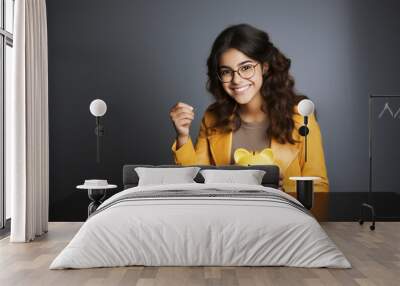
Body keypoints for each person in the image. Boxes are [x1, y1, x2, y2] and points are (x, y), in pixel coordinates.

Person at [169, 23, 329, 193]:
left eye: (245, 68)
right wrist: (183, 136)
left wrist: (283, 191)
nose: (236, 80)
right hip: (228, 217)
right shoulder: (212, 117)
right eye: (226, 71)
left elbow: (318, 186)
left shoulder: (301, 117)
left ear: (264, 66)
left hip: (282, 217)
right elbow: (196, 184)